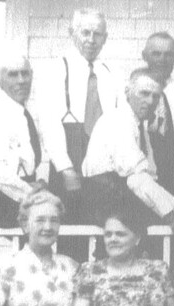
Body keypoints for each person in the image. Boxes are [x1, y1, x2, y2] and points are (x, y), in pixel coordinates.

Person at [82, 67, 174, 231]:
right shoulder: (118, 121)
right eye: (144, 93)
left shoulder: (139, 126)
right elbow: (136, 180)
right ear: (127, 92)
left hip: (122, 201)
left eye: (156, 96)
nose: (150, 101)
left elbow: (148, 181)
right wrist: (172, 218)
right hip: (106, 208)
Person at [40, 8, 120, 222]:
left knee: (103, 224)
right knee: (71, 229)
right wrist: (65, 168)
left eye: (97, 34)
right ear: (72, 33)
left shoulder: (110, 73)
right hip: (70, 157)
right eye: (85, 33)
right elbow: (49, 124)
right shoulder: (56, 69)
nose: (91, 40)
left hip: (103, 163)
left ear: (105, 38)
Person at [0, 48, 42, 228]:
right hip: (0, 203)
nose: (21, 81)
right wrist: (31, 193)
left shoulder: (25, 112)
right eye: (13, 75)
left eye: (25, 74)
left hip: (21, 199)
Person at [143, 31, 174, 198]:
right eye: (156, 54)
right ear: (144, 56)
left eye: (168, 55)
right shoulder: (132, 93)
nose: (162, 60)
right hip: (144, 173)